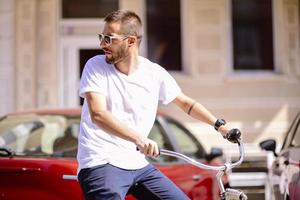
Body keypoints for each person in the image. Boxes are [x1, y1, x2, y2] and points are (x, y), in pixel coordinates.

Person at [77, 10, 241, 200]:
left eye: (109, 38)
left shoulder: (153, 73)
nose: (102, 44)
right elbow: (98, 114)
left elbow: (186, 103)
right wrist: (138, 139)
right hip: (101, 162)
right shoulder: (95, 66)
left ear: (130, 41)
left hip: (136, 164)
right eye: (101, 37)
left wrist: (220, 126)